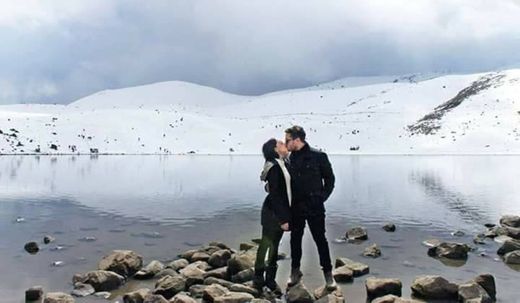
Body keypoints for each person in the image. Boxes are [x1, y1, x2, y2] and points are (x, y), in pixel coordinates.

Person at [284, 125, 337, 290]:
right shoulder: (288, 159)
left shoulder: (318, 156)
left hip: (315, 207)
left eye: (288, 140)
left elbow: (330, 180)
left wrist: (321, 198)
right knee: (295, 239)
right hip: (296, 208)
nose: (285, 143)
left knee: (320, 240)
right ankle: (295, 272)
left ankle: (328, 275)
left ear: (297, 140)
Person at [253, 138, 292, 294]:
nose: (285, 145)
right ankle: (259, 278)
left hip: (279, 211)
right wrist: (283, 220)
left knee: (274, 246)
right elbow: (276, 195)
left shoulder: (283, 164)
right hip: (272, 214)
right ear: (275, 149)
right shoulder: (274, 167)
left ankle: (268, 279)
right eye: (281, 144)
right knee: (267, 245)